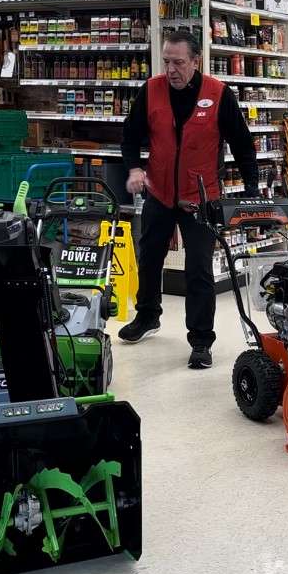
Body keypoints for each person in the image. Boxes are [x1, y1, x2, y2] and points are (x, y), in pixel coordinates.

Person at [119, 30, 259, 369]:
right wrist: (135, 168)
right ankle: (148, 315)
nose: (171, 69)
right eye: (166, 61)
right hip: (159, 192)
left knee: (198, 269)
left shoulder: (219, 94)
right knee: (149, 257)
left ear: (195, 62)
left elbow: (242, 144)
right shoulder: (150, 91)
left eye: (179, 62)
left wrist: (252, 192)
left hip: (202, 197)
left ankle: (200, 341)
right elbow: (129, 137)